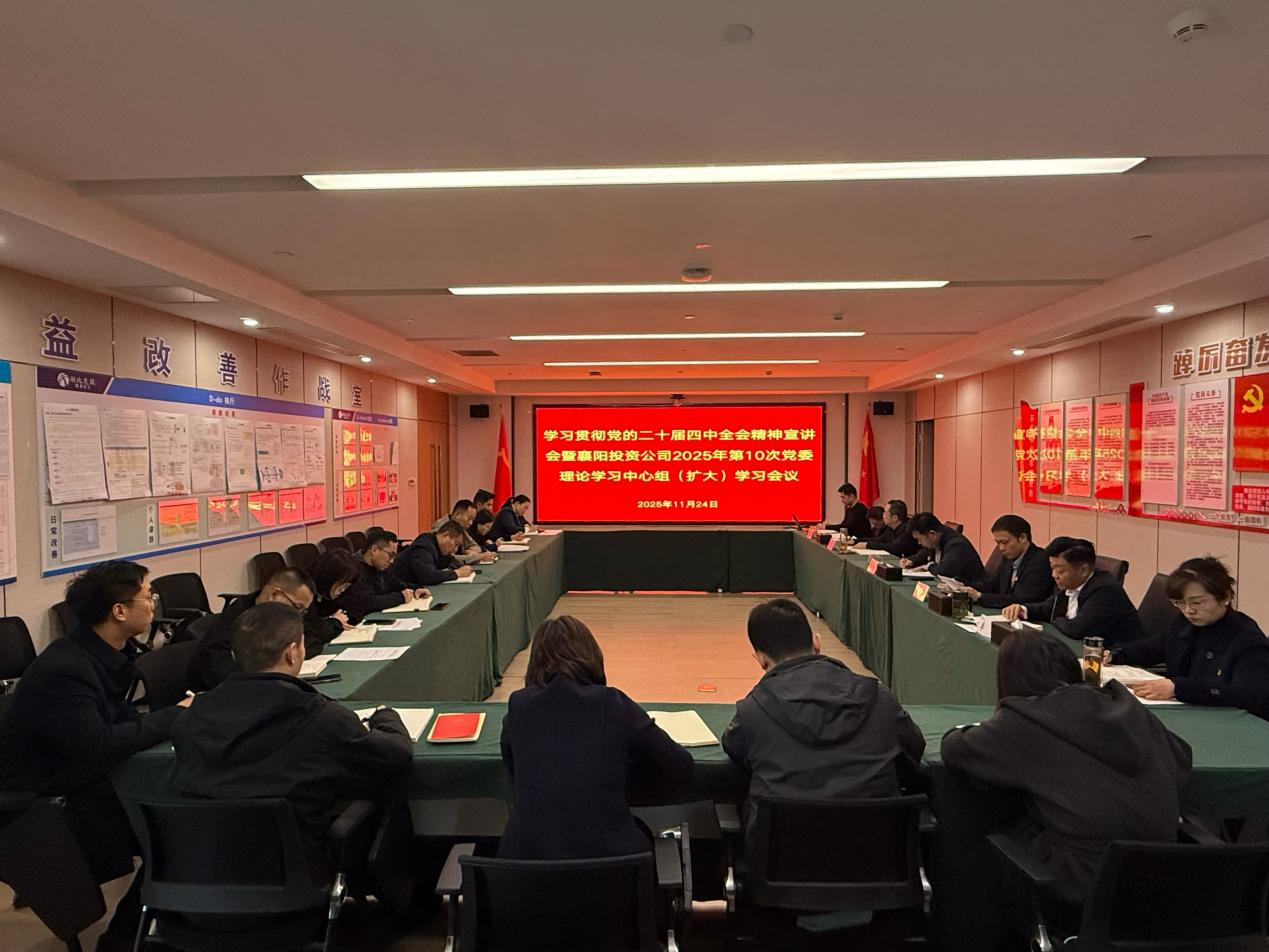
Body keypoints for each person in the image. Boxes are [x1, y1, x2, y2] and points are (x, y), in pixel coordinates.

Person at [0, 561, 190, 951]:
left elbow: (120, 725)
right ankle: (123, 940)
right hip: (44, 800)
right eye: (148, 595)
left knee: (177, 817)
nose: (154, 603)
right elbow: (99, 745)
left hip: (80, 777)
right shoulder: (66, 668)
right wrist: (174, 716)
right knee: (172, 831)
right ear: (119, 611)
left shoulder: (101, 654)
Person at [941, 632, 1191, 924]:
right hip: (1164, 885)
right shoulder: (1128, 709)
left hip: (1081, 888)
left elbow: (955, 747)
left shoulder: (1025, 721)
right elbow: (1182, 756)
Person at [172, 603, 411, 879]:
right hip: (296, 875)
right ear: (293, 652)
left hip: (202, 876)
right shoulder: (322, 717)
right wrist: (385, 715)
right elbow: (397, 755)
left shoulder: (190, 717)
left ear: (235, 654)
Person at [497, 615, 693, 859]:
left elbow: (513, 770)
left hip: (525, 872)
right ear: (591, 657)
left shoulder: (518, 706)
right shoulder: (612, 703)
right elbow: (680, 766)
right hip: (613, 871)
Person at [722, 599, 925, 817]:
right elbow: (914, 748)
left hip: (787, 838)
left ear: (761, 659)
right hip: (879, 837)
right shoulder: (880, 698)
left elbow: (735, 749)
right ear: (816, 642)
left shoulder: (752, 712)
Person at [1109, 557, 1269, 718]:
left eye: (1197, 603)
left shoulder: (1248, 639)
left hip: (1234, 720)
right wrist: (1114, 654)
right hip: (1190, 712)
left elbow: (1246, 696)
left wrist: (1179, 688)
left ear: (1225, 597)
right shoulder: (1184, 624)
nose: (1188, 610)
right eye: (1180, 603)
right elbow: (1148, 649)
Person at [188, 567, 327, 692]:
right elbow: (216, 669)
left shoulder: (281, 616)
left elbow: (313, 642)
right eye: (297, 607)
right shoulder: (239, 619)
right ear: (274, 594)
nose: (298, 615)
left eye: (303, 611)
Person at [1002, 537, 1144, 647]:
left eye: (1060, 570)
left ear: (1083, 570)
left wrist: (1056, 619)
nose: (1054, 575)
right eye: (1052, 568)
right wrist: (1023, 609)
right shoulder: (1068, 584)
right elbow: (1048, 607)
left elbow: (1077, 629)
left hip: (1119, 660)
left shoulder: (1105, 590)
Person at [964, 514, 1053, 609]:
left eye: (1005, 542)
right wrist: (965, 587)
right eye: (997, 543)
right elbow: (993, 586)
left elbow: (1020, 600)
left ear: (1022, 538)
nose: (1001, 548)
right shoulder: (1009, 556)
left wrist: (979, 596)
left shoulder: (1040, 562)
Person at [332, 535, 426, 624]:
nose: (392, 561)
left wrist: (415, 589)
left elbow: (396, 584)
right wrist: (401, 597)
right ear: (374, 550)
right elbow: (367, 603)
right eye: (390, 555)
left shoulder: (380, 566)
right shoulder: (353, 570)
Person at [901, 512, 986, 587]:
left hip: (971, 590)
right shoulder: (937, 539)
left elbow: (945, 571)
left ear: (932, 534)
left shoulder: (957, 544)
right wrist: (912, 560)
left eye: (919, 539)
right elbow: (925, 552)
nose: (919, 543)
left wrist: (929, 566)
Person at [388, 521, 475, 587]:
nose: (455, 550)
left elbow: (452, 562)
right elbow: (428, 576)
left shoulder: (439, 547)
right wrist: (456, 573)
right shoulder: (424, 547)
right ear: (446, 535)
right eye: (456, 544)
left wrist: (453, 568)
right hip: (396, 588)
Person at [433, 499, 497, 565]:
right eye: (469, 518)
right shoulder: (441, 528)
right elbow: (449, 558)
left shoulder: (460, 526)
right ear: (457, 515)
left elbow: (473, 545)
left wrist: (469, 551)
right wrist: (477, 557)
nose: (471, 523)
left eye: (472, 520)